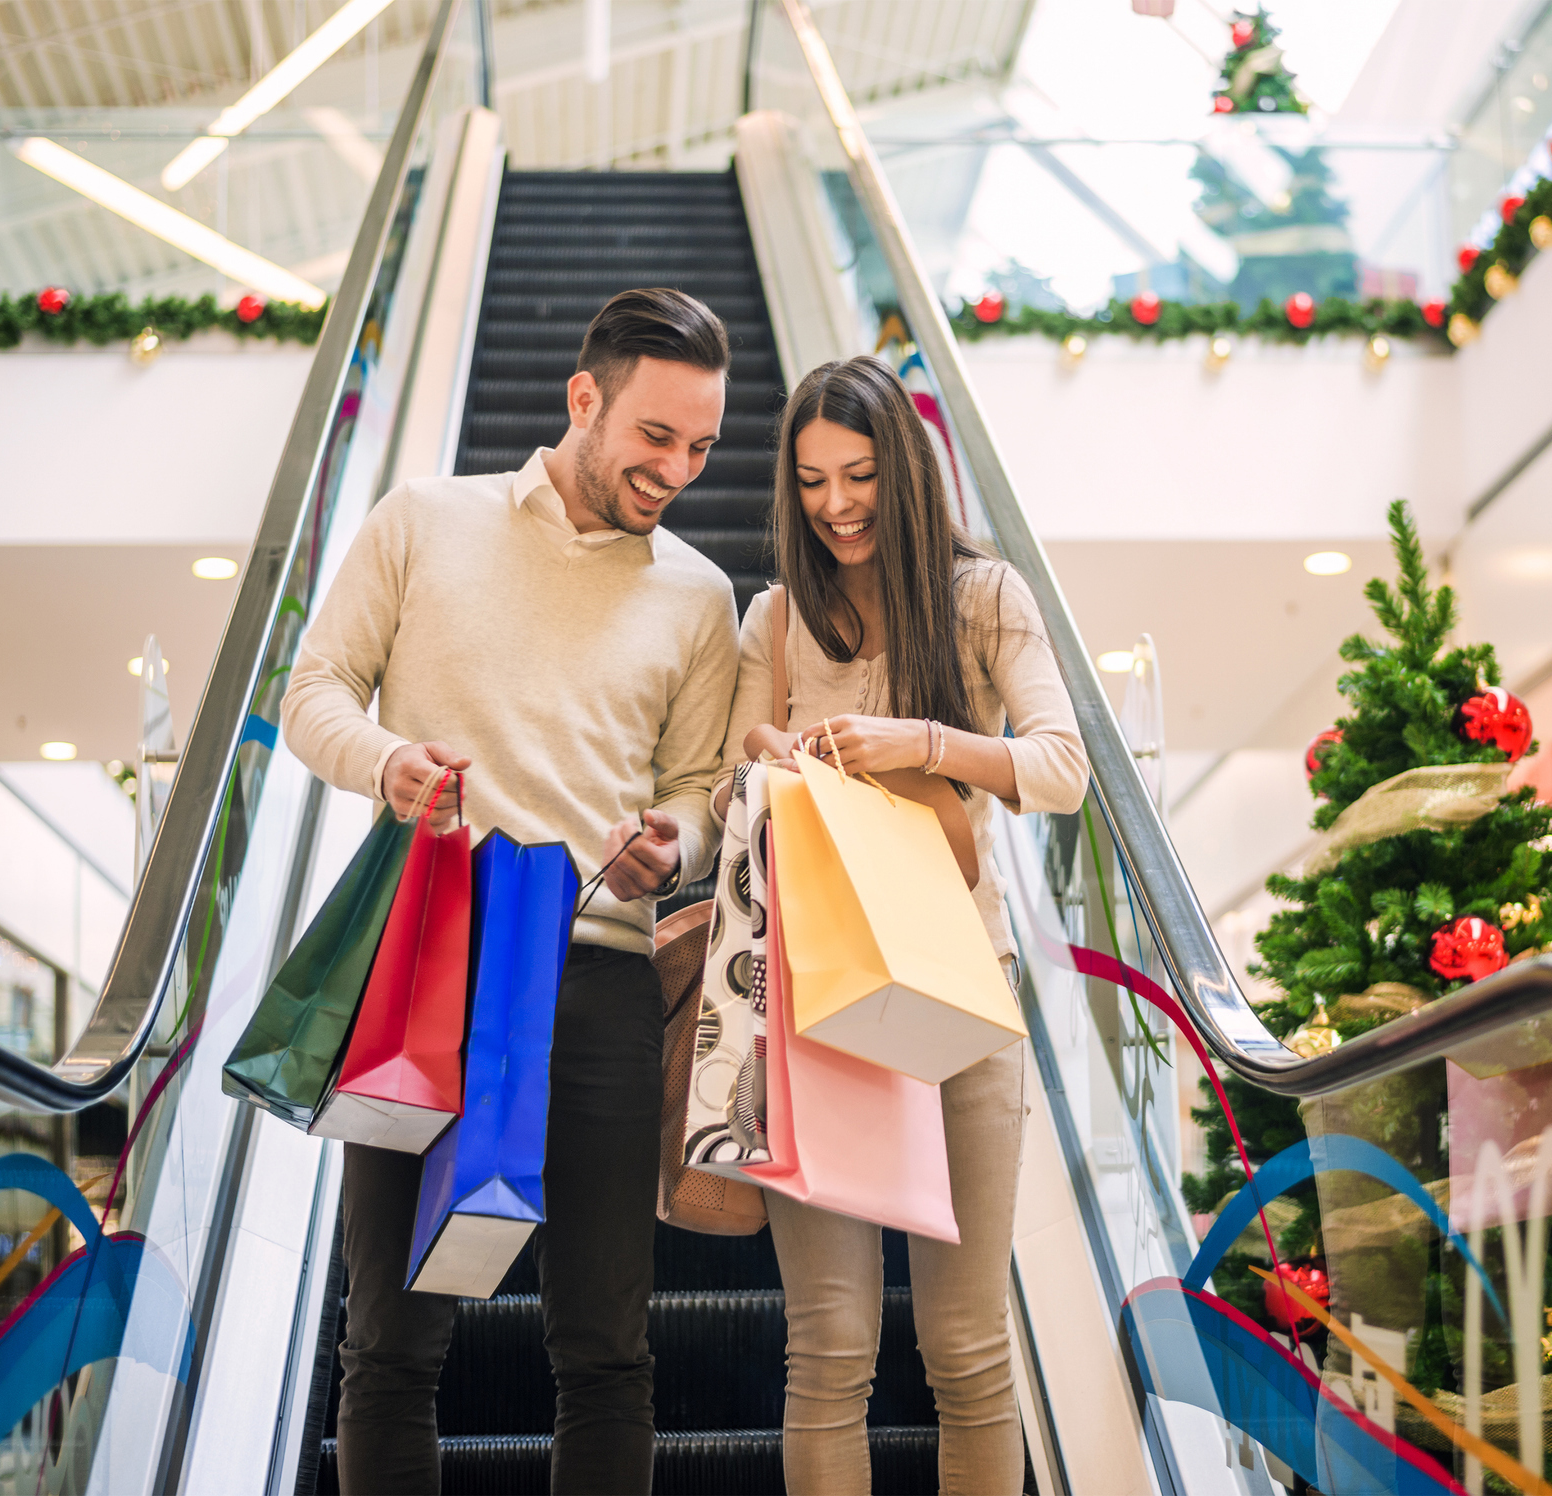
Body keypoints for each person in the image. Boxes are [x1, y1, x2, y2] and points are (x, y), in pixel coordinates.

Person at [281, 287, 741, 1495]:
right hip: (428, 957)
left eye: (702, 447)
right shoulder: (424, 519)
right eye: (657, 436)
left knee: (606, 1349)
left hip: (598, 979)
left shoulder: (699, 595)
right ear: (584, 397)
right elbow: (314, 688)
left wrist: (675, 841)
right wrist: (387, 761)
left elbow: (699, 783)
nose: (678, 469)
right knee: (391, 1339)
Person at [713, 355, 1089, 1494]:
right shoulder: (775, 617)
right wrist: (774, 755)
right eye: (814, 479)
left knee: (967, 1350)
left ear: (908, 471)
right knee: (827, 1350)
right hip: (816, 999)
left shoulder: (984, 597)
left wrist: (921, 741)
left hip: (964, 992)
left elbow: (1061, 770)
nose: (835, 504)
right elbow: (737, 761)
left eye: (862, 474)